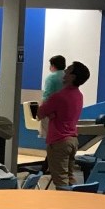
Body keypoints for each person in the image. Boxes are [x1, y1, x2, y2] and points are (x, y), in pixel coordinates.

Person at [38, 60, 88, 189]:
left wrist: (50, 113)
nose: (65, 71)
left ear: (73, 77)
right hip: (73, 140)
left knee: (61, 182)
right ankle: (75, 200)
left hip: (59, 142)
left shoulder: (59, 96)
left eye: (68, 70)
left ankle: (64, 202)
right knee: (70, 177)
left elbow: (40, 113)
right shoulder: (79, 95)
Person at [38, 54, 66, 139]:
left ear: (53, 65)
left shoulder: (51, 78)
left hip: (52, 112)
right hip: (65, 111)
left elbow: (47, 96)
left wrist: (41, 111)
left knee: (49, 135)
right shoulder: (67, 76)